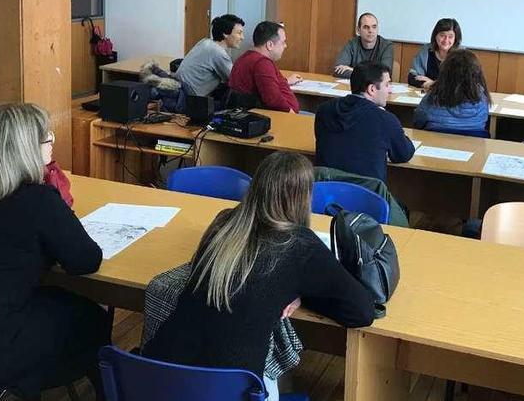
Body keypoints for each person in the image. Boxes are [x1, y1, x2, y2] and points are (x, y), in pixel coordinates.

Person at [143, 152, 374, 400]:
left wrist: (292, 289)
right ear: (303, 199)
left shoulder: (224, 223)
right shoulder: (300, 245)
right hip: (228, 390)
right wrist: (303, 292)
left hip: (153, 379)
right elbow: (361, 311)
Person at [0, 103, 109, 401]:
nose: (51, 142)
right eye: (46, 138)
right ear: (24, 150)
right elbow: (86, 260)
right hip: (1, 347)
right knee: (91, 318)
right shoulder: (38, 200)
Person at [315, 61, 416, 182]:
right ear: (372, 89)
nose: (390, 90)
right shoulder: (385, 119)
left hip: (326, 195)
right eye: (387, 84)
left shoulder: (324, 110)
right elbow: (404, 154)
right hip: (367, 198)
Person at [229, 21, 303, 113]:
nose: (285, 46)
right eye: (283, 42)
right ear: (270, 45)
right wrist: (292, 115)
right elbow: (273, 99)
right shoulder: (262, 63)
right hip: (280, 117)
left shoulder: (247, 57)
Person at [413, 49, 491, 133]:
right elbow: (483, 122)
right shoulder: (482, 98)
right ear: (477, 73)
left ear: (445, 71)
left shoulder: (433, 96)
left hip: (435, 142)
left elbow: (418, 121)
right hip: (473, 144)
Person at [177, 14, 245, 97]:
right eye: (239, 33)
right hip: (190, 99)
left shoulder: (205, 42)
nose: (242, 37)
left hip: (180, 90)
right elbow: (236, 81)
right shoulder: (218, 52)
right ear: (225, 33)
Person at [332, 12, 394, 78]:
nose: (371, 31)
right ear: (358, 30)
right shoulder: (352, 44)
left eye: (374, 27)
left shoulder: (386, 46)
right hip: (356, 87)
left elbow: (385, 74)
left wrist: (354, 71)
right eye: (366, 27)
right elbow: (338, 70)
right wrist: (372, 74)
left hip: (378, 88)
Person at [407, 18, 461, 90]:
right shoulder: (426, 50)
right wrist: (435, 85)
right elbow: (412, 77)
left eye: (450, 37)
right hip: (427, 97)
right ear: (435, 36)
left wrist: (432, 83)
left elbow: (460, 85)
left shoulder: (461, 55)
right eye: (442, 35)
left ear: (455, 38)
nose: (446, 40)